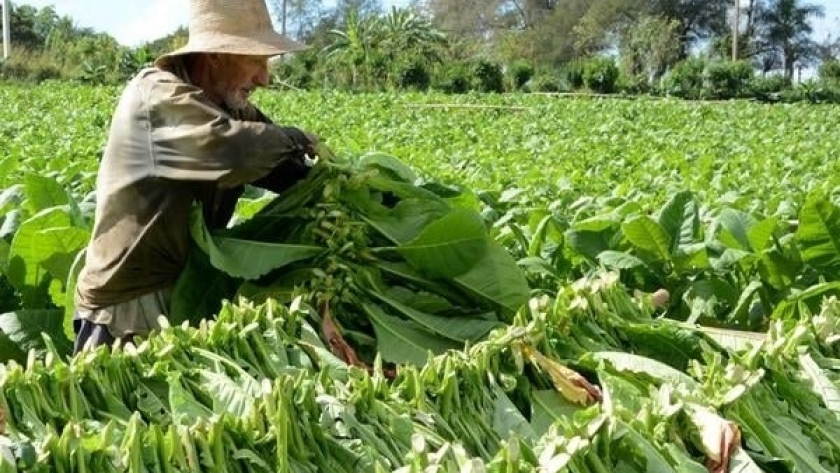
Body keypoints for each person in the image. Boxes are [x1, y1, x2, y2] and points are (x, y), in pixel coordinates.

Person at [72, 0, 319, 353]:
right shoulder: (157, 95)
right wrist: (296, 138)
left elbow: (280, 167)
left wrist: (338, 184)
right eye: (255, 60)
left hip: (182, 293)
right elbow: (232, 151)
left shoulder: (224, 105)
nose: (265, 78)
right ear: (216, 54)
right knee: (122, 405)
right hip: (127, 307)